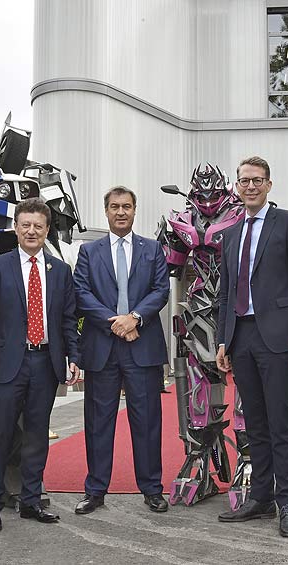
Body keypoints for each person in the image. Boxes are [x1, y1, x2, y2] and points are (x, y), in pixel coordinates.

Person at [215, 156, 288, 538]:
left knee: (280, 423)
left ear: (269, 185)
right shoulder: (230, 233)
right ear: (236, 187)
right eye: (244, 181)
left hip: (277, 337)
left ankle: (287, 502)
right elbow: (226, 293)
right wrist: (224, 339)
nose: (251, 187)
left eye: (258, 180)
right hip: (242, 337)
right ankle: (261, 497)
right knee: (254, 423)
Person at [0, 198, 80, 533]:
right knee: (0, 435)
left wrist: (74, 357)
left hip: (45, 363)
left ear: (47, 230)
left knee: (37, 436)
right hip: (6, 365)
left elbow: (68, 320)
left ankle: (31, 500)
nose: (32, 231)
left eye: (38, 226)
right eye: (25, 225)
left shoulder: (60, 271)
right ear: (16, 228)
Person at [73, 185, 170, 514]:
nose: (120, 212)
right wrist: (115, 322)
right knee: (99, 423)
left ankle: (152, 489)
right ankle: (95, 490)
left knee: (147, 423)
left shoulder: (153, 249)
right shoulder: (89, 252)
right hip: (103, 348)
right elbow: (81, 293)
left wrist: (135, 319)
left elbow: (160, 291)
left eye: (126, 206)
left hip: (142, 348)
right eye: (114, 206)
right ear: (106, 211)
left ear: (134, 209)